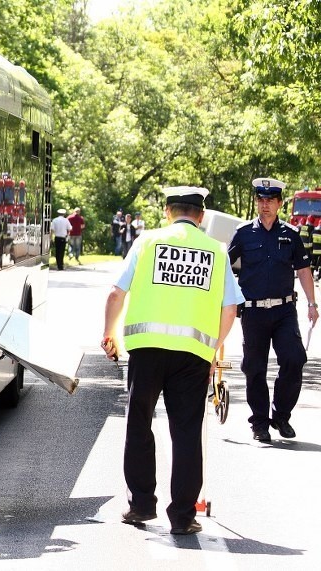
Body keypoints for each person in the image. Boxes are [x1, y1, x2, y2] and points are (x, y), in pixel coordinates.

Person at [101, 186, 243, 536]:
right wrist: (213, 350)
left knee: (139, 425)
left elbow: (116, 293)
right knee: (186, 432)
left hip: (146, 350)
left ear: (167, 211)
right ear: (202, 216)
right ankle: (182, 516)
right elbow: (230, 309)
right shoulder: (216, 250)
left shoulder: (147, 242)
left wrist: (109, 334)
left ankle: (141, 506)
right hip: (193, 356)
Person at [227, 178, 318, 442]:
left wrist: (312, 304)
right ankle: (259, 423)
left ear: (279, 204)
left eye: (270, 201)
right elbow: (224, 266)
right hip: (253, 312)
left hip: (284, 311)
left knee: (294, 358)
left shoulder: (291, 234)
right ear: (257, 202)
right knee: (254, 367)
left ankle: (280, 415)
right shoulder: (243, 233)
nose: (265, 205)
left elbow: (303, 270)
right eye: (261, 200)